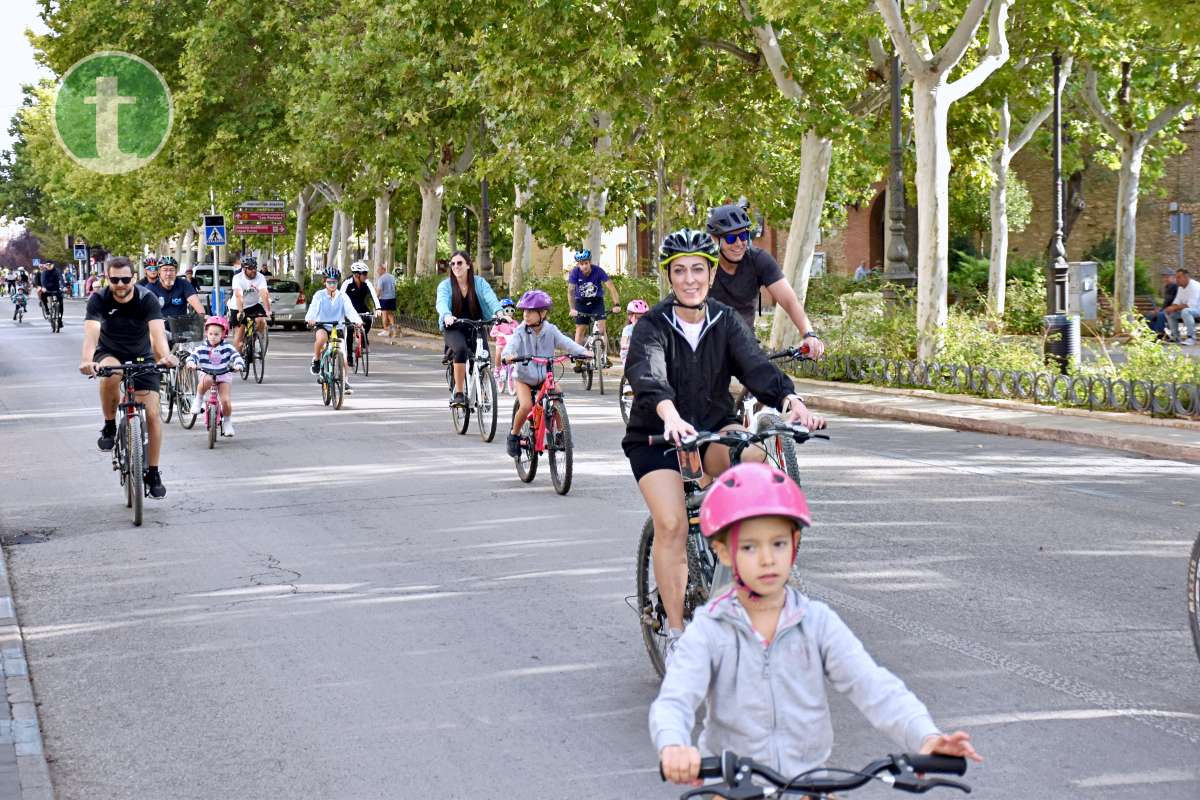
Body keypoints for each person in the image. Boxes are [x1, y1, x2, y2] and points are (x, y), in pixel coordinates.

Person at [652, 462, 982, 786]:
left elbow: (873, 685)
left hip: (810, 784)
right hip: (735, 786)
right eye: (750, 547)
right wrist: (674, 746)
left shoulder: (816, 622)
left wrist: (925, 735)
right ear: (724, 552)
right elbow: (675, 700)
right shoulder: (711, 629)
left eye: (778, 543)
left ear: (795, 543)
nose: (768, 559)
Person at [623, 228, 824, 651]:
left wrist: (792, 400)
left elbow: (755, 366)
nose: (690, 278)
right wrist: (670, 414)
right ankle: (678, 634)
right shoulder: (652, 326)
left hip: (712, 429)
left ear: (712, 274)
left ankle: (731, 571)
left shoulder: (725, 320)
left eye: (699, 268)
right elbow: (649, 377)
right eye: (680, 271)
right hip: (657, 437)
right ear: (669, 277)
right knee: (673, 524)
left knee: (755, 459)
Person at [78, 256, 177, 499]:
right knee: (111, 373)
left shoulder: (147, 299)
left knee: (153, 414)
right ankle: (110, 425)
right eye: (114, 279)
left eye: (125, 279)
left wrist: (164, 356)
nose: (120, 284)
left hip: (142, 355)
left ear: (133, 277)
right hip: (109, 352)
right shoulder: (99, 299)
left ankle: (153, 472)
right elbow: (91, 334)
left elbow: (157, 334)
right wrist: (86, 360)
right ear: (107, 278)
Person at [705, 203, 824, 358]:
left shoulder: (758, 260)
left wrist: (809, 334)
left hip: (744, 343)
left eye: (743, 236)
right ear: (715, 239)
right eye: (730, 238)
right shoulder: (703, 264)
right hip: (708, 345)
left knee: (766, 380)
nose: (739, 243)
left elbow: (790, 301)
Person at [500, 289, 590, 458]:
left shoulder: (551, 330)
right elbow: (510, 346)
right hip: (524, 378)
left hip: (544, 378)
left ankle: (561, 434)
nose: (525, 315)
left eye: (530, 311)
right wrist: (508, 356)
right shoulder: (520, 331)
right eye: (524, 311)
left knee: (557, 393)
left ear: (543, 313)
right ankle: (514, 434)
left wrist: (583, 352)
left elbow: (566, 343)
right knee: (526, 406)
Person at [436, 250, 502, 407]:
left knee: (484, 358)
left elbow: (490, 298)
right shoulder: (445, 285)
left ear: (468, 265)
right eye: (453, 263)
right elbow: (442, 302)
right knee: (461, 350)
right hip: (454, 326)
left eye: (460, 263)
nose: (456, 266)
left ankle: (484, 391)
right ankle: (459, 393)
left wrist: (499, 313)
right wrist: (446, 315)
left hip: (476, 326)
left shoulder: (479, 283)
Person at [305, 268, 362, 394]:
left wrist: (357, 320)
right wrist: (311, 319)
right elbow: (313, 309)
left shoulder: (343, 296)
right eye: (329, 282)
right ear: (324, 282)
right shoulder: (319, 295)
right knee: (322, 339)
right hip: (322, 325)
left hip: (338, 326)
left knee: (343, 354)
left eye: (334, 282)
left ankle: (345, 381)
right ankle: (316, 360)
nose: (332, 285)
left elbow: (350, 310)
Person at [187, 316, 245, 437]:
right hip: (207, 373)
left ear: (223, 334)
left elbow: (236, 356)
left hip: (223, 375)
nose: (213, 336)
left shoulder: (227, 347)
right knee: (206, 380)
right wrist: (191, 362)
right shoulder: (203, 347)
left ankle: (228, 422)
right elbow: (194, 355)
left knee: (226, 401)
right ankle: (198, 400)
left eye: (216, 334)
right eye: (211, 333)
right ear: (206, 333)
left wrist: (238, 365)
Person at [566, 249, 620, 354]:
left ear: (590, 262)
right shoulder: (575, 273)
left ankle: (603, 357)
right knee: (580, 329)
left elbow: (611, 287)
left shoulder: (598, 271)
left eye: (586, 263)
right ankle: (578, 356)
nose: (584, 266)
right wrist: (572, 309)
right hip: (581, 302)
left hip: (596, 301)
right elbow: (570, 292)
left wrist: (616, 304)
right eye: (581, 264)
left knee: (602, 329)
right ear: (578, 264)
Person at [339, 261, 381, 368]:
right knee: (350, 330)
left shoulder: (367, 283)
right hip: (350, 310)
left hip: (362, 308)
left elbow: (374, 296)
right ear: (357, 274)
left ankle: (363, 337)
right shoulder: (347, 283)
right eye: (364, 273)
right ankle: (349, 356)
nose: (366, 276)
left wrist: (378, 308)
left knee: (368, 321)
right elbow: (340, 298)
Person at [229, 256, 272, 354]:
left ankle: (256, 341)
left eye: (255, 268)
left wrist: (268, 310)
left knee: (261, 321)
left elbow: (264, 293)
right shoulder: (237, 278)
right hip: (238, 306)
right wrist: (240, 312)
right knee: (239, 335)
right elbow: (238, 296)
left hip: (253, 304)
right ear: (244, 269)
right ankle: (238, 361)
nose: (253, 271)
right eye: (250, 268)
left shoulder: (260, 277)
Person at [1165, 268, 1200, 346]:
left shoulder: (1194, 286)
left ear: (1186, 277)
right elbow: (1177, 302)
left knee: (1186, 311)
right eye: (1176, 277)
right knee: (1170, 313)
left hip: (1197, 309)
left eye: (1178, 277)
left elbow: (1190, 305)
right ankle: (1176, 337)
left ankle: (1191, 338)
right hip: (1190, 310)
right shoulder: (1180, 287)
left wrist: (1174, 308)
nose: (1176, 279)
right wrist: (1171, 308)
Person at [490, 298, 518, 395]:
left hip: (511, 346)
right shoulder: (499, 322)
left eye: (511, 310)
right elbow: (492, 332)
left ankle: (513, 374)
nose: (510, 313)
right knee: (498, 352)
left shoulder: (514, 323)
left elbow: (519, 331)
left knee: (516, 356)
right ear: (502, 311)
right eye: (507, 310)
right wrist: (498, 333)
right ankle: (497, 369)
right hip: (502, 344)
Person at [1147, 267, 1178, 339]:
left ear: (1173, 278)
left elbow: (1173, 301)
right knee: (1149, 316)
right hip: (1167, 309)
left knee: (1160, 315)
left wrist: (1162, 310)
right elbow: (1167, 301)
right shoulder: (1167, 287)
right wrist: (1160, 308)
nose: (1165, 279)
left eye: (1167, 277)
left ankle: (1159, 334)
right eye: (1164, 277)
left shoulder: (1175, 286)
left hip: (1174, 310)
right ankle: (1152, 333)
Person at [620, 298, 649, 363]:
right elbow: (623, 343)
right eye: (638, 318)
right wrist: (626, 346)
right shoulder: (627, 329)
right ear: (630, 317)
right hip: (628, 355)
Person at [376, 264, 397, 336]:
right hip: (392, 297)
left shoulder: (381, 279)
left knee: (384, 314)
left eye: (379, 270)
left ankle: (386, 330)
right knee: (390, 314)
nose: (377, 272)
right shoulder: (392, 277)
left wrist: (376, 299)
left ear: (383, 269)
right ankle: (394, 330)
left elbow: (379, 290)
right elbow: (395, 286)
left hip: (384, 298)